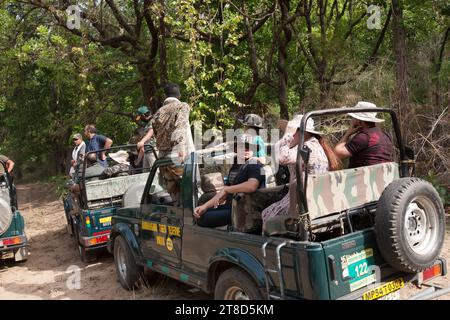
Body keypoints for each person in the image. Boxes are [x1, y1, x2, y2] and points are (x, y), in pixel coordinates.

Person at [261, 114, 341, 224]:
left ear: (305, 133)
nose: (292, 135)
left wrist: (288, 134)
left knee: (265, 214)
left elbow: (280, 157)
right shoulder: (316, 145)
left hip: (302, 202)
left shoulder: (305, 147)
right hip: (315, 199)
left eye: (294, 131)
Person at [137, 83, 195, 205]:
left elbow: (155, 131)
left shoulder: (158, 112)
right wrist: (181, 149)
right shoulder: (182, 106)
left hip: (163, 159)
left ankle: (179, 216)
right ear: (179, 94)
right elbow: (181, 126)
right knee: (189, 191)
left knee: (174, 193)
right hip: (177, 155)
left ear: (166, 95)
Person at [193, 135, 265, 228]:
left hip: (247, 210)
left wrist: (227, 189)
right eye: (242, 147)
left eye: (249, 147)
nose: (245, 149)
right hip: (234, 206)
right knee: (200, 213)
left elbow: (252, 185)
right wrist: (204, 206)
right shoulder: (236, 167)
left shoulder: (254, 164)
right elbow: (223, 193)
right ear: (236, 149)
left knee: (203, 218)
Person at [334, 101, 394, 168]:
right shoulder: (385, 135)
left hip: (364, 177)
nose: (352, 120)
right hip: (385, 177)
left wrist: (348, 133)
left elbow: (337, 154)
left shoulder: (363, 137)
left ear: (359, 121)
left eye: (354, 118)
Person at [133, 105, 157, 172]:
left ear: (143, 115)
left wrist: (142, 141)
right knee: (145, 174)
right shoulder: (147, 125)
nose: (140, 119)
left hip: (153, 152)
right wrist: (138, 161)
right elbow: (143, 147)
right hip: (147, 152)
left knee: (155, 173)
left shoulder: (153, 121)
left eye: (140, 117)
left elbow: (151, 131)